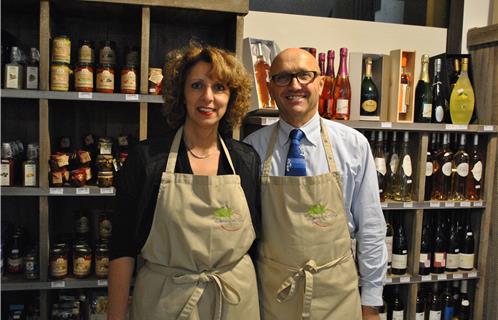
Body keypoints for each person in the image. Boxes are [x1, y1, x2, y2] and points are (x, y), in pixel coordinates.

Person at [108, 43, 261, 320]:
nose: (208, 97)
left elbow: (257, 244)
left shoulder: (246, 160)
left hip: (234, 303)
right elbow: (121, 247)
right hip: (165, 303)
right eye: (197, 86)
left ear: (232, 97)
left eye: (219, 87)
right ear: (181, 93)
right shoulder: (147, 159)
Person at [244, 48, 387, 320]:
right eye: (283, 77)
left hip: (337, 296)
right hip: (273, 296)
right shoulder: (252, 149)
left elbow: (371, 226)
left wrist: (370, 303)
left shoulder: (353, 145)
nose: (295, 85)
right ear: (270, 87)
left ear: (321, 83)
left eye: (304, 76)